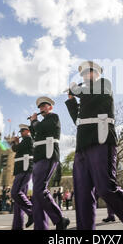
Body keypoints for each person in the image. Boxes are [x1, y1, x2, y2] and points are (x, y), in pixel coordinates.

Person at [65, 60, 123, 230]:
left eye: (89, 72)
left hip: (101, 139)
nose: (85, 76)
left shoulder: (104, 85)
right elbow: (78, 121)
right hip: (82, 145)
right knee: (82, 194)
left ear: (97, 74)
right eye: (83, 74)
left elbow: (91, 93)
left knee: (106, 188)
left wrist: (77, 90)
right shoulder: (86, 95)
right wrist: (72, 101)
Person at [29, 96, 70, 230]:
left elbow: (41, 128)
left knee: (40, 188)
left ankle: (60, 219)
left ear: (50, 107)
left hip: (48, 155)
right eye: (40, 107)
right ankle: (41, 226)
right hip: (38, 157)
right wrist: (32, 122)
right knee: (36, 193)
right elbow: (35, 133)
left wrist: (35, 121)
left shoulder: (54, 117)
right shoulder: (40, 121)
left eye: (44, 106)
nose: (42, 109)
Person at [10, 124, 34, 230]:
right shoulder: (25, 141)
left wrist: (16, 142)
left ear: (28, 131)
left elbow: (16, 148)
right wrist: (15, 142)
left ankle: (32, 212)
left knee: (15, 193)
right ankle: (17, 226)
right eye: (20, 132)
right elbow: (15, 148)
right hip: (21, 170)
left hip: (24, 170)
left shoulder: (29, 140)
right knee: (19, 200)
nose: (21, 134)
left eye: (23, 131)